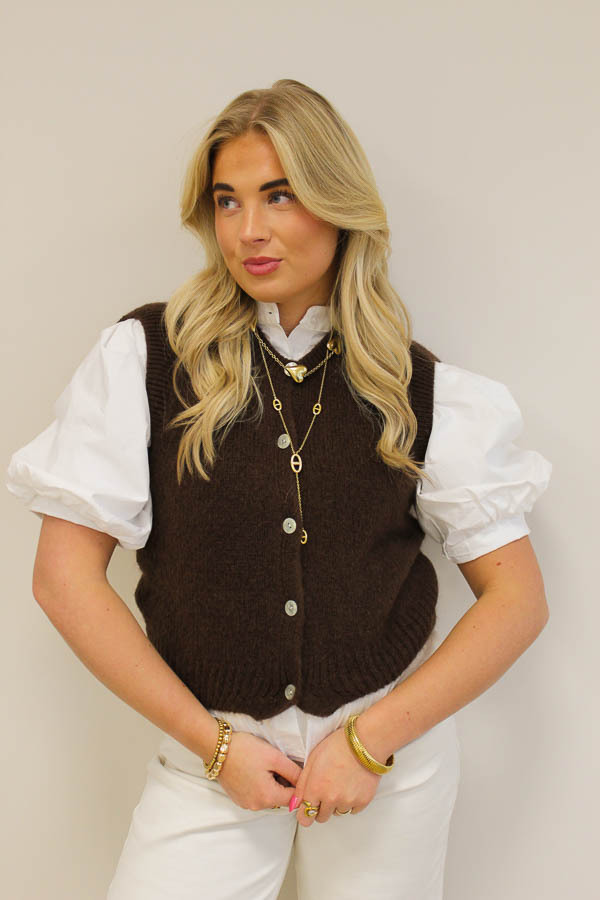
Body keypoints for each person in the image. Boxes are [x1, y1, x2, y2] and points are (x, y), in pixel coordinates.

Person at [6, 78, 552, 900]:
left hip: (387, 763)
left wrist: (368, 742)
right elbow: (63, 580)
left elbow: (517, 601)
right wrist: (215, 748)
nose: (248, 230)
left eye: (280, 195)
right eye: (228, 201)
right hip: (207, 759)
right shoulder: (147, 358)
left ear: (338, 204)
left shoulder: (418, 388)